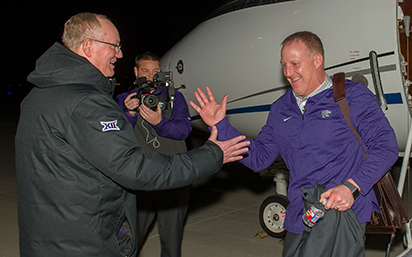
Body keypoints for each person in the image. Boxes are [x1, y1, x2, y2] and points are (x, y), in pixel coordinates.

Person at [15, 12, 249, 257]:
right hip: (83, 243)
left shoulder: (38, 96)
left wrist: (160, 122)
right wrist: (212, 155)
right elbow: (133, 168)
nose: (120, 54)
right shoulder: (86, 103)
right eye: (114, 46)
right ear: (87, 46)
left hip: (46, 237)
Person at [189, 31, 398, 256]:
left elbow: (386, 147)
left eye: (295, 63)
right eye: (284, 65)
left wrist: (350, 186)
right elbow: (259, 157)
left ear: (317, 60)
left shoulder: (352, 96)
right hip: (301, 215)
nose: (288, 72)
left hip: (342, 214)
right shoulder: (281, 108)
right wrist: (220, 125)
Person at [115, 52, 191, 257]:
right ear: (136, 72)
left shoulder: (175, 97)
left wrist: (160, 123)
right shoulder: (124, 99)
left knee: (172, 241)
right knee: (130, 237)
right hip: (140, 178)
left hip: (172, 176)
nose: (150, 77)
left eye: (155, 71)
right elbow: (117, 137)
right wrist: (129, 114)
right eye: (145, 71)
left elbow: (184, 130)